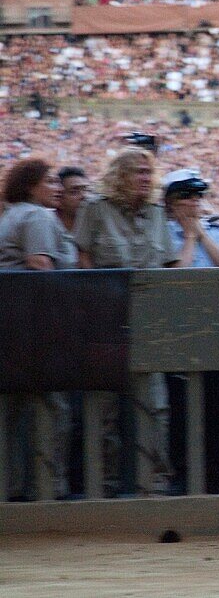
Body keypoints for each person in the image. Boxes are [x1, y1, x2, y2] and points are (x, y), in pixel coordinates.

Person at [73, 147, 179, 496]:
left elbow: (167, 266)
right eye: (137, 171)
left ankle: (155, 485)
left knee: (155, 407)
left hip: (148, 324)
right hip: (105, 324)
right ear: (119, 175)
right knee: (104, 413)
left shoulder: (156, 213)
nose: (145, 179)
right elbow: (83, 257)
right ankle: (104, 485)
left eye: (149, 173)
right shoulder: (95, 208)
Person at [0, 159, 78, 501]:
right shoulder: (35, 216)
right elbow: (41, 266)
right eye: (49, 181)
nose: (57, 187)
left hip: (15, 326)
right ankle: (49, 491)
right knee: (52, 409)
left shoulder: (11, 215)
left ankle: (12, 489)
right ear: (31, 186)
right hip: (35, 327)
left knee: (13, 414)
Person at [161, 169, 219, 494]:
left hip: (216, 333)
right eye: (186, 197)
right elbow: (176, 274)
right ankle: (183, 479)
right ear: (170, 202)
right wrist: (189, 237)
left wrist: (203, 235)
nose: (194, 203)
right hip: (178, 335)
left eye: (198, 196)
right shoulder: (163, 231)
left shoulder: (215, 229)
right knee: (182, 412)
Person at [56, 166, 89, 233]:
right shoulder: (45, 226)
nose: (84, 196)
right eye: (74, 192)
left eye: (87, 190)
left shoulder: (97, 228)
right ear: (58, 198)